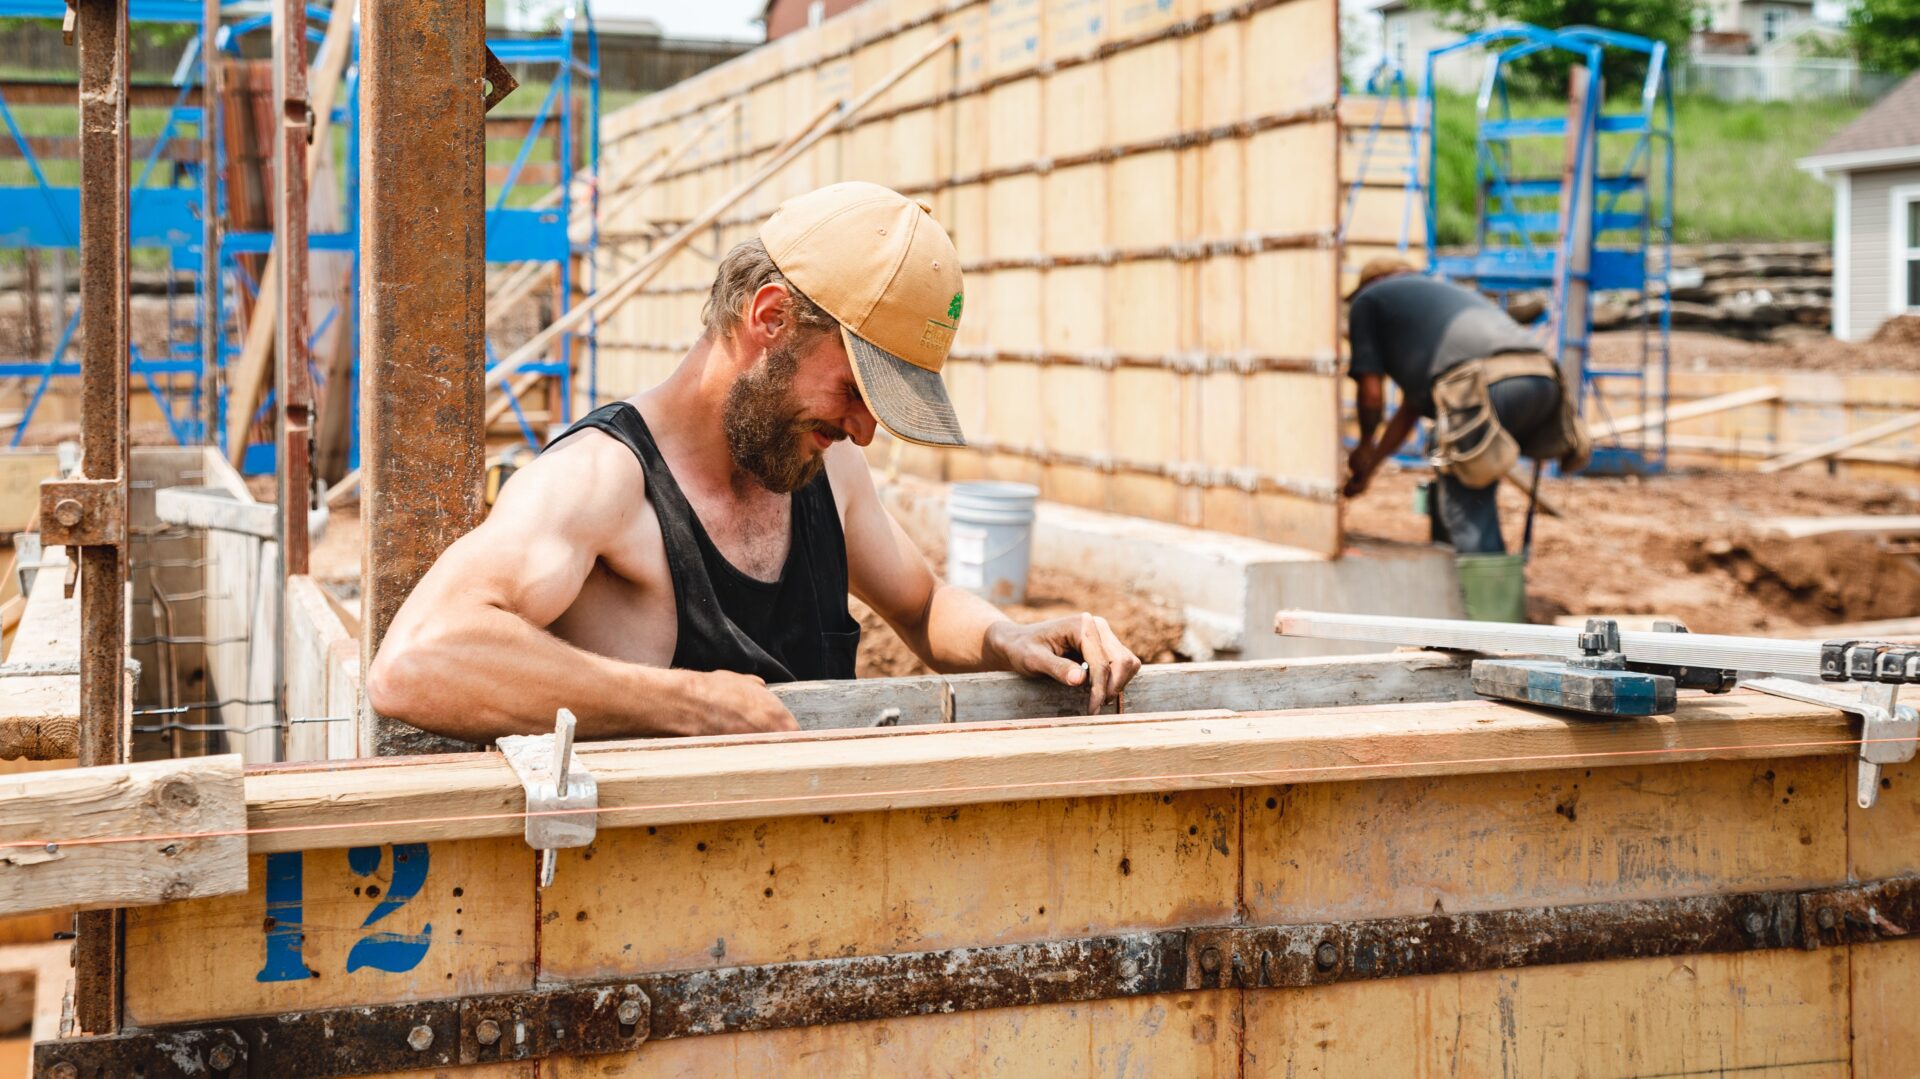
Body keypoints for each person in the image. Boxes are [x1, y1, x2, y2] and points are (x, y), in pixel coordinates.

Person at [366, 182, 1142, 741]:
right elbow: (416, 660)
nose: (864, 432)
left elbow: (921, 605)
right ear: (769, 317)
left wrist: (1011, 638)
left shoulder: (826, 472)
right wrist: (684, 702)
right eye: (852, 389)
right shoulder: (602, 483)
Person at [1341, 257, 1589, 554]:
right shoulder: (1435, 301)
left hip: (1487, 384)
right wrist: (1373, 465)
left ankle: (1485, 592)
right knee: (1467, 475)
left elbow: (1370, 393)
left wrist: (1366, 443)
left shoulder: (1368, 301)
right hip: (1544, 380)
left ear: (1369, 284)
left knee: (1465, 496)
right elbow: (1410, 411)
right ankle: (1472, 573)